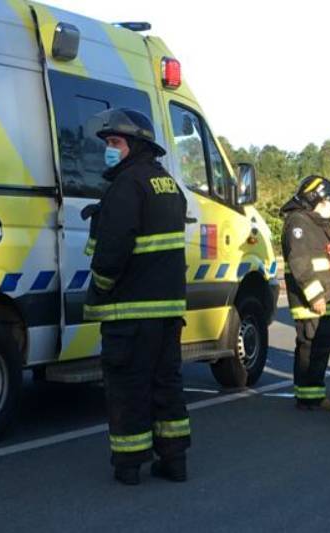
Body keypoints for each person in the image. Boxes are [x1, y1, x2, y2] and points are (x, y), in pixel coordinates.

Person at [84, 108, 190, 485]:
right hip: (168, 311)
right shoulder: (167, 184)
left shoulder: (126, 186)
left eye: (114, 143)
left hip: (130, 312)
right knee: (166, 385)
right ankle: (174, 461)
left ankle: (128, 466)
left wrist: (100, 284)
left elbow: (112, 250)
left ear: (135, 145)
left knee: (128, 387)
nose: (109, 151)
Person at [280, 175, 330, 410]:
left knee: (321, 345)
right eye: (328, 202)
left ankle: (313, 395)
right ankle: (308, 397)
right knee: (311, 348)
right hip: (311, 301)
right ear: (315, 199)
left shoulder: (316, 223)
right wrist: (315, 295)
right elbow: (300, 262)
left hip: (323, 300)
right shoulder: (298, 223)